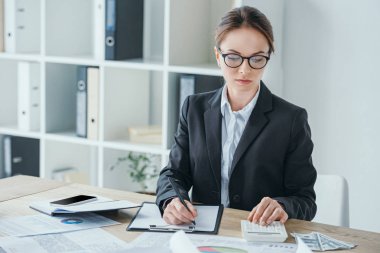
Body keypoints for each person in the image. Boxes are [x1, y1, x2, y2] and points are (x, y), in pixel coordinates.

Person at [156, 6, 317, 226]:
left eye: (257, 59)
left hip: (259, 236)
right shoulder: (193, 108)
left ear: (268, 57)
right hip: (202, 232)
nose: (244, 70)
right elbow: (173, 173)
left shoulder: (291, 120)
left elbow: (305, 200)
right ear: (218, 56)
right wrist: (171, 200)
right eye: (233, 57)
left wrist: (282, 206)